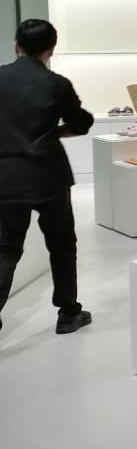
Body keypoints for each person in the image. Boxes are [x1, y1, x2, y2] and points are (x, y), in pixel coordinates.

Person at [0, 19, 94, 335]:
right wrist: (55, 132)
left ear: (17, 46)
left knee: (6, 248)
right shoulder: (57, 84)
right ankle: (68, 313)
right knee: (62, 244)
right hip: (48, 176)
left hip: (6, 177)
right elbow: (82, 123)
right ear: (51, 50)